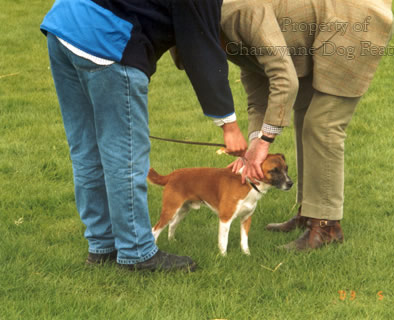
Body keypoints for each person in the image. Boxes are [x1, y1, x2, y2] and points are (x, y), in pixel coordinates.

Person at [40, 0, 247, 271]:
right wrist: (229, 126)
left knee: (86, 149)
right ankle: (136, 250)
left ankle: (101, 245)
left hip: (64, 24)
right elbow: (201, 48)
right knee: (125, 157)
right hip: (107, 41)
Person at [218, 0, 394, 251]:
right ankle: (310, 212)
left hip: (354, 20)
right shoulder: (215, 23)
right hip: (326, 25)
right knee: (304, 113)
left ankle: (326, 227)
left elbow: (284, 79)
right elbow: (258, 88)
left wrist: (265, 141)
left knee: (322, 125)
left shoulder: (237, 13)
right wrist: (255, 144)